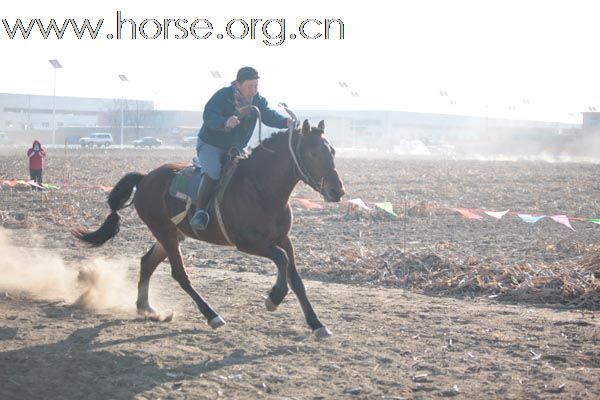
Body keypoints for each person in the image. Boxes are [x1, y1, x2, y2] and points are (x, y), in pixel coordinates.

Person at [189, 66, 294, 234]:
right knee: (214, 171)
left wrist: (285, 122)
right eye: (249, 87)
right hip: (211, 145)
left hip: (235, 148)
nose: (253, 91)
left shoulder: (257, 100)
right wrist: (225, 122)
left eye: (255, 86)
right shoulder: (222, 96)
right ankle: (200, 213)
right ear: (238, 84)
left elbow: (268, 115)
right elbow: (209, 117)